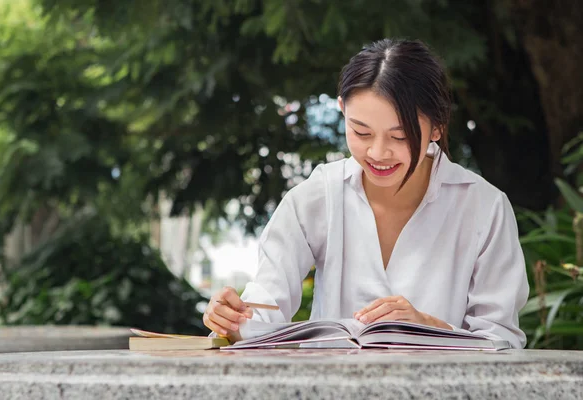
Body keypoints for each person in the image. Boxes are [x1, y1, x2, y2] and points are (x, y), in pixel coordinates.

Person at [202, 38, 530, 348]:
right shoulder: (317, 198)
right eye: (361, 132)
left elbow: (501, 340)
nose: (377, 152)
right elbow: (263, 311)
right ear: (342, 109)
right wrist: (233, 321)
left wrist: (427, 327)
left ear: (439, 126)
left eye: (400, 136)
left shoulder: (484, 207)